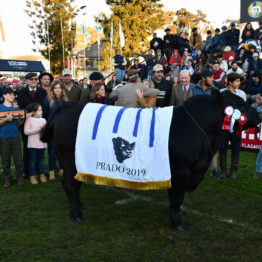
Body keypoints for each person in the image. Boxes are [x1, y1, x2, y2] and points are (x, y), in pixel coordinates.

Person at [16, 72, 47, 177]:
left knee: (40, 147)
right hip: (27, 124)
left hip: (40, 124)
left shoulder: (42, 92)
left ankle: (39, 169)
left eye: (35, 79)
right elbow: (20, 108)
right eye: (31, 79)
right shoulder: (21, 92)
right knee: (27, 147)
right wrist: (29, 114)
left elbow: (45, 107)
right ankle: (28, 171)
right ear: (27, 81)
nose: (34, 81)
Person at [219, 73, 246, 179]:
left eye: (239, 81)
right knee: (222, 147)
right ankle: (223, 170)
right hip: (223, 125)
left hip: (237, 126)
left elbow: (244, 110)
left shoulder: (242, 94)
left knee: (236, 148)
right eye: (237, 81)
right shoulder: (221, 93)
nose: (239, 83)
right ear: (230, 82)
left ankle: (234, 171)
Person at [43, 80, 69, 179]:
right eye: (55, 88)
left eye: (59, 88)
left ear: (62, 89)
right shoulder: (47, 100)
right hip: (52, 130)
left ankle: (62, 168)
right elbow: (44, 115)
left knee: (62, 151)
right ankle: (51, 171)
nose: (57, 90)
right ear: (52, 89)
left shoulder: (65, 100)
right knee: (51, 151)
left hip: (63, 130)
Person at [0, 88, 24, 188]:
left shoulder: (16, 108)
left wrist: (21, 119)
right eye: (10, 94)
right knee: (5, 160)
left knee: (18, 159)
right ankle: (7, 179)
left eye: (13, 94)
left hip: (16, 136)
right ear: (4, 96)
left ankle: (20, 178)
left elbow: (19, 124)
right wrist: (5, 119)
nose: (12, 96)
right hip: (3, 137)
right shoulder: (0, 108)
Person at [24, 103, 47, 185]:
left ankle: (42, 175)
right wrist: (38, 129)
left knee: (41, 161)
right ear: (33, 112)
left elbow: (45, 133)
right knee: (32, 161)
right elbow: (26, 131)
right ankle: (32, 176)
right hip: (32, 145)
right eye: (39, 110)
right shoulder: (29, 120)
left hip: (42, 144)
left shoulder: (44, 120)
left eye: (41, 110)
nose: (41, 111)